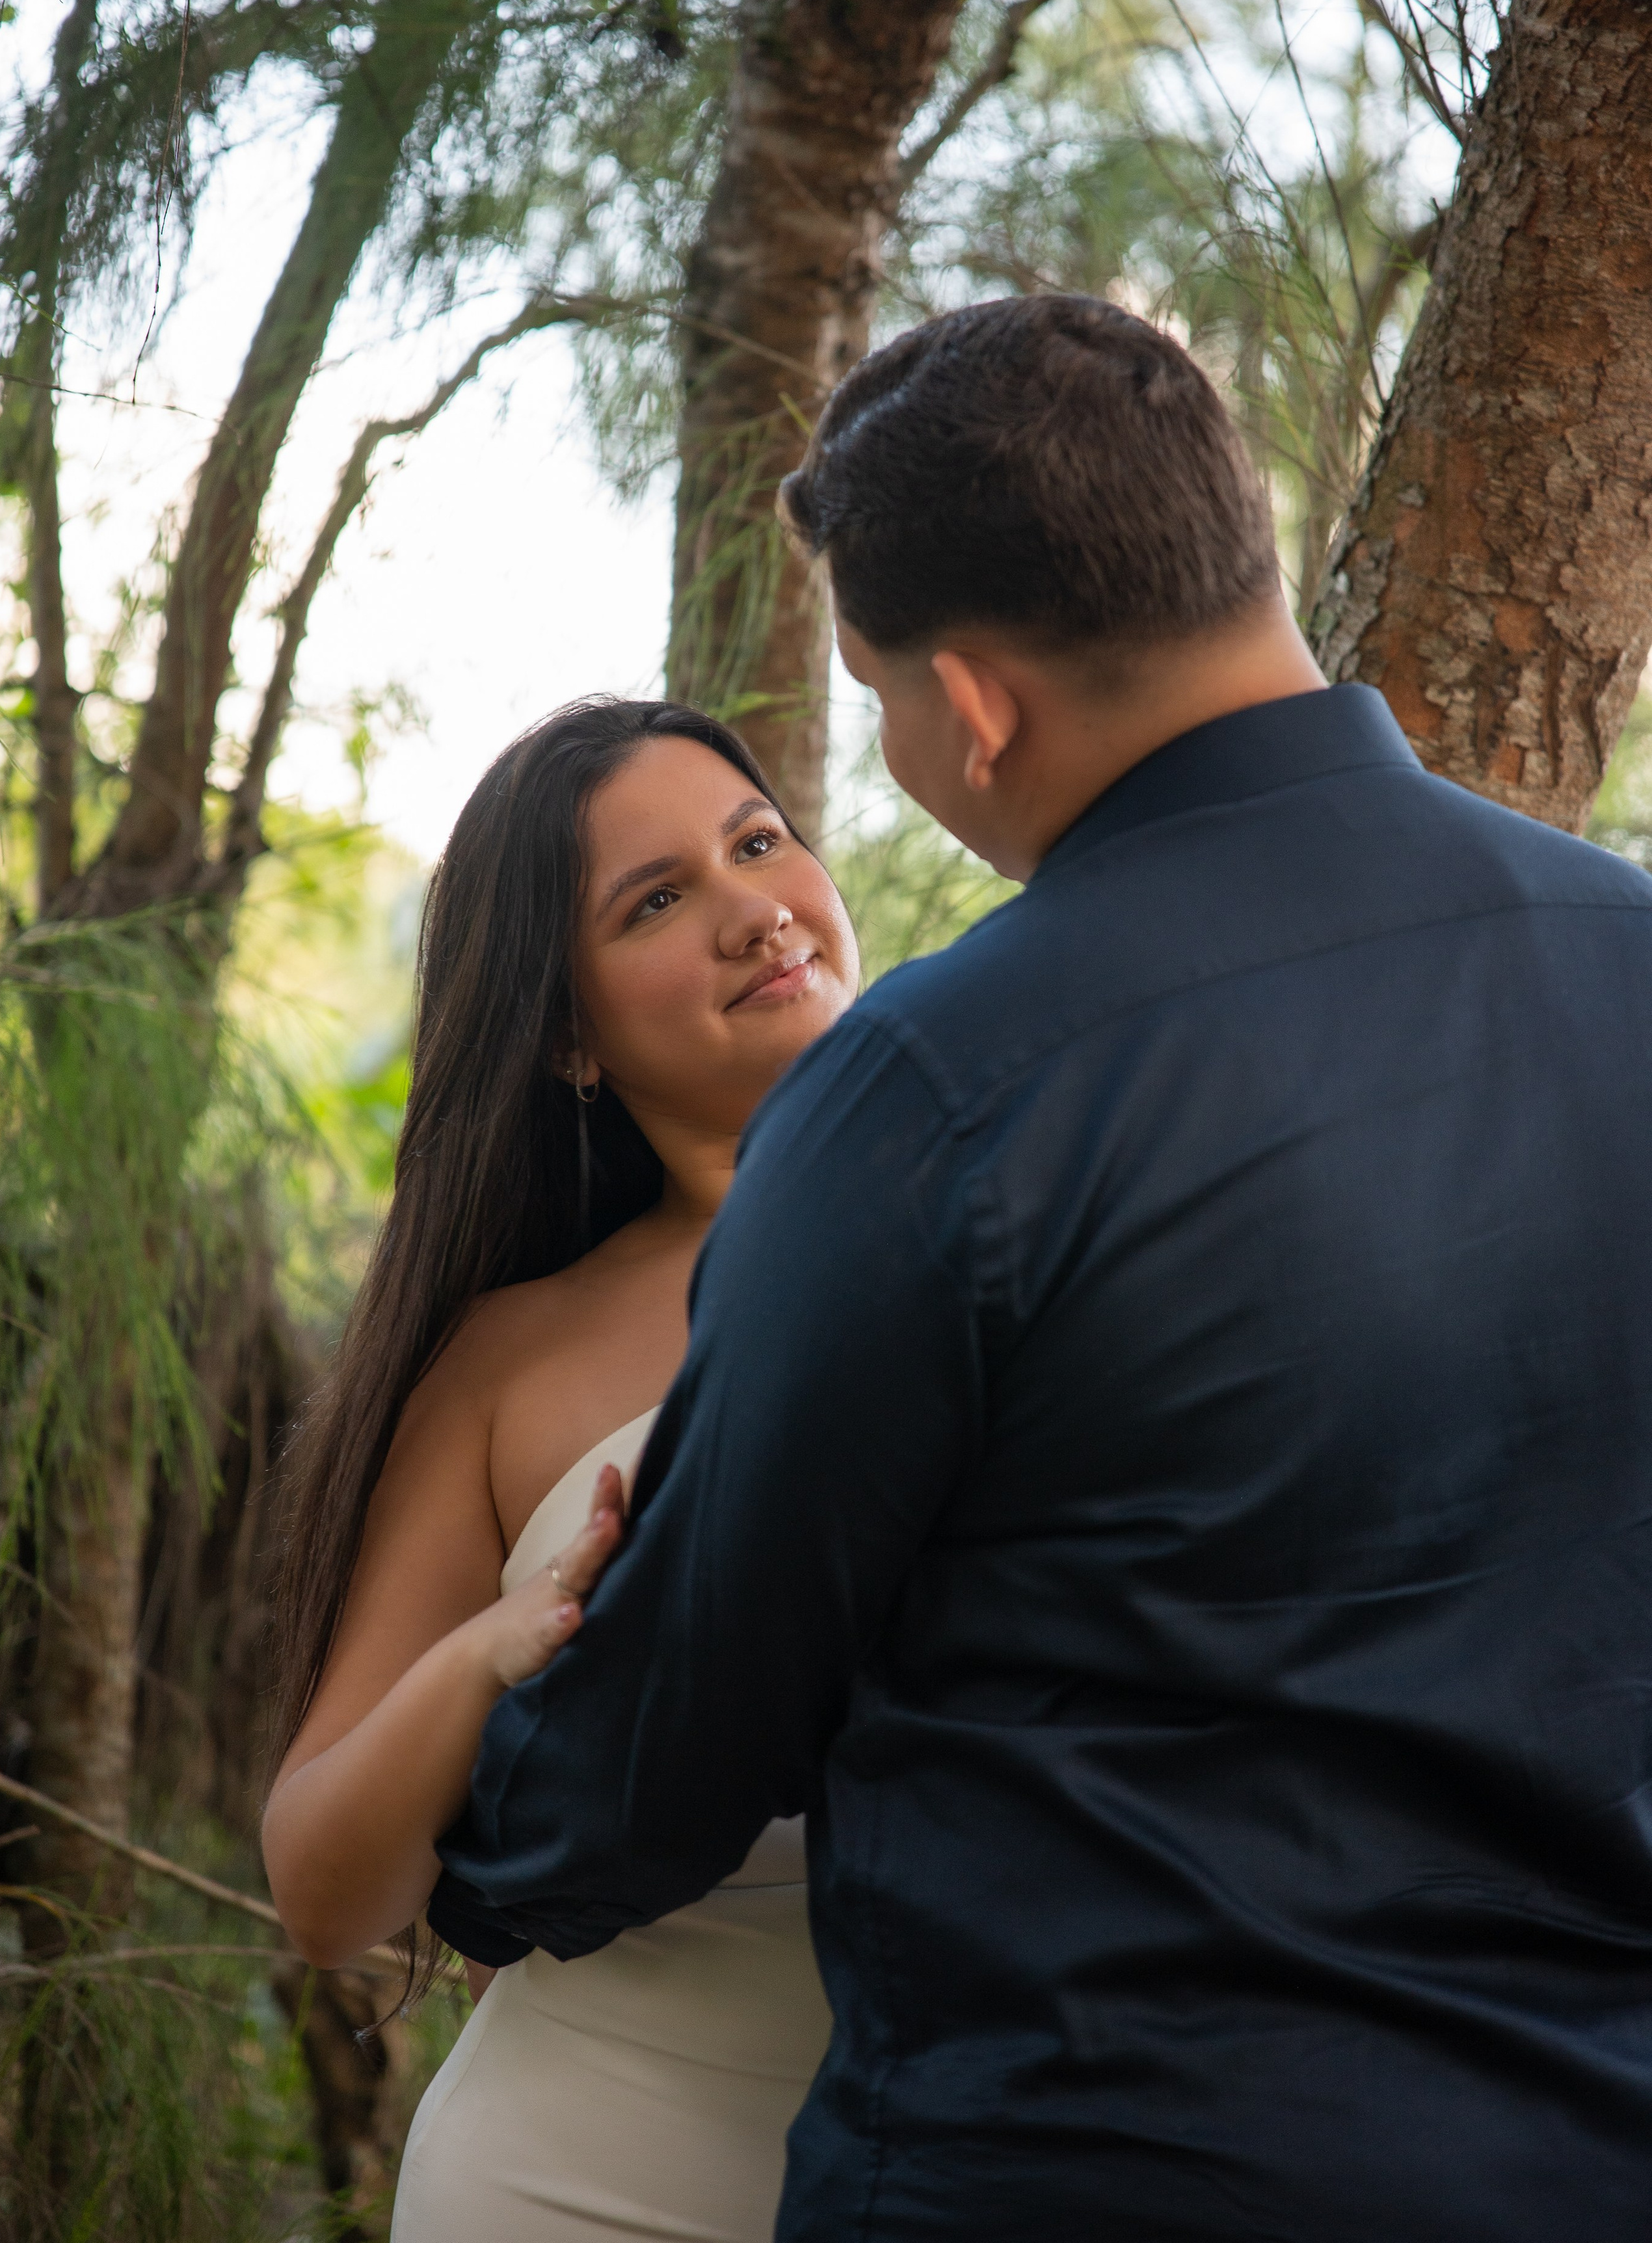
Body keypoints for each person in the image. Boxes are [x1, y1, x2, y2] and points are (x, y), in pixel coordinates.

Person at [429, 294, 1652, 2242]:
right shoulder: (1630, 961)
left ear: (972, 702)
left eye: (884, 703)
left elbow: (673, 1743)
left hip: (1083, 2164)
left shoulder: (941, 1085)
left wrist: (481, 1855)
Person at [261, 698, 860, 2241]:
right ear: (566, 1034)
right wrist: (491, 1654)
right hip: (587, 2177)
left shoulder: (1046, 1212)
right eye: (656, 901)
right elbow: (326, 1895)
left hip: (1004, 2152)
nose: (749, 910)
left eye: (756, 843)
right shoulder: (506, 1364)